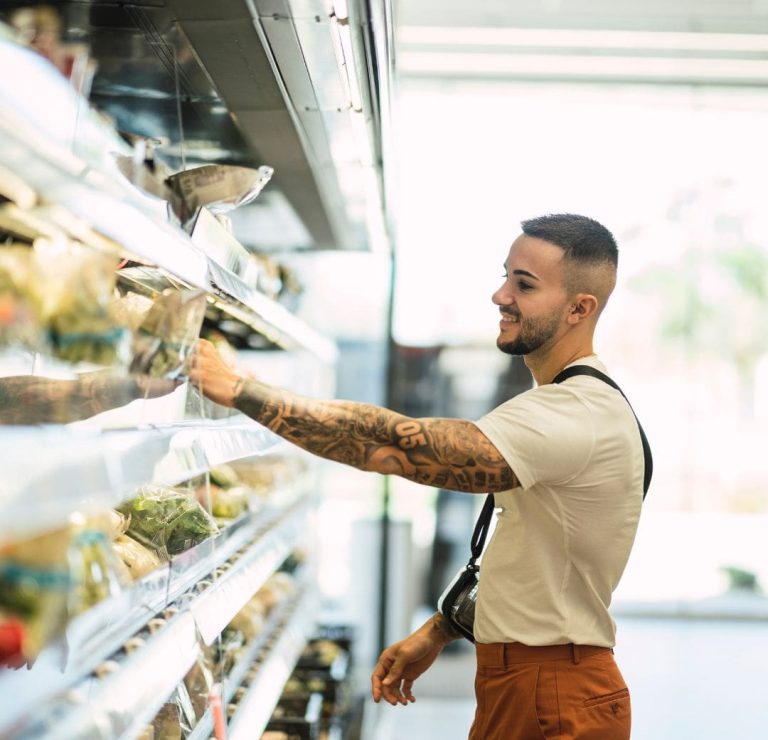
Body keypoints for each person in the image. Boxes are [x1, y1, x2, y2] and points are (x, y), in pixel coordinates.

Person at [190, 213, 646, 740]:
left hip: (553, 694)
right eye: (505, 277)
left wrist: (241, 390)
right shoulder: (568, 402)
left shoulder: (575, 411)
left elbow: (395, 444)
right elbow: (533, 557)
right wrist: (442, 627)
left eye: (524, 285)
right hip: (531, 681)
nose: (500, 296)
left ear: (579, 309)